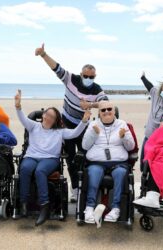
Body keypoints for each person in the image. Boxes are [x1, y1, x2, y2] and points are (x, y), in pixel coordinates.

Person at [35, 43, 109, 202]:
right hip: (66, 124)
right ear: (81, 74)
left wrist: (90, 105)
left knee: (85, 158)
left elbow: (105, 104)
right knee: (70, 159)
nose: (89, 79)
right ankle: (75, 189)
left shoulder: (96, 89)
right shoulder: (71, 79)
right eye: (86, 76)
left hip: (83, 126)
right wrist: (43, 54)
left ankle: (86, 187)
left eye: (92, 77)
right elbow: (56, 68)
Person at [15, 89, 90, 226]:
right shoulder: (34, 126)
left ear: (56, 120)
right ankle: (24, 202)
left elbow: (74, 133)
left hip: (50, 159)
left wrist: (84, 121)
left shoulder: (59, 132)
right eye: (47, 115)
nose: (49, 118)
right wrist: (18, 106)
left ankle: (45, 205)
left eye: (52, 117)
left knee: (40, 171)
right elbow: (22, 118)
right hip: (32, 156)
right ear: (43, 115)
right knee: (24, 168)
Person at [82, 101, 135, 223]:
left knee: (120, 174)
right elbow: (85, 146)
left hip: (118, 162)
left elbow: (131, 146)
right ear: (99, 113)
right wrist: (93, 134)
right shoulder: (93, 124)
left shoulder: (122, 124)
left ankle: (115, 209)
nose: (106, 112)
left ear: (114, 111)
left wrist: (124, 137)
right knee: (94, 174)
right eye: (103, 110)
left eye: (109, 109)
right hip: (97, 161)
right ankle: (89, 208)